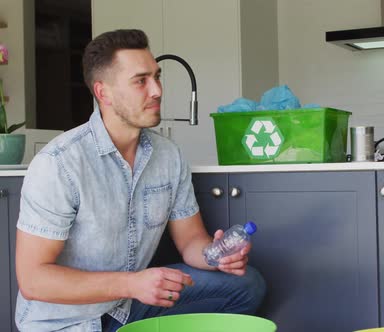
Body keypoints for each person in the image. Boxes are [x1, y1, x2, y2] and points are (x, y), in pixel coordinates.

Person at [14, 29, 265, 332]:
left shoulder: (168, 156)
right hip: (66, 322)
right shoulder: (59, 164)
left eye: (157, 77)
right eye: (141, 81)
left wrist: (217, 255)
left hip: (129, 306)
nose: (157, 90)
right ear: (103, 92)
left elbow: (190, 240)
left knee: (247, 284)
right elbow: (33, 280)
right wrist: (131, 284)